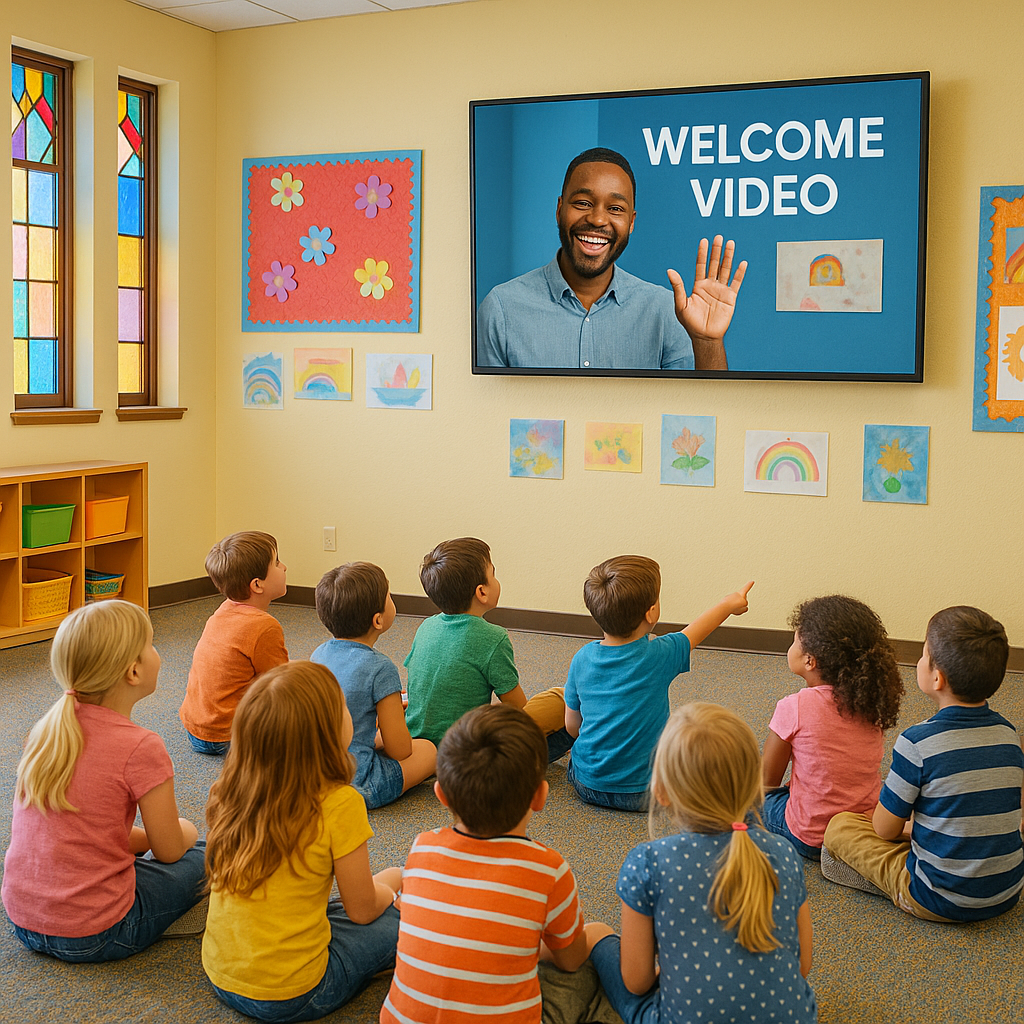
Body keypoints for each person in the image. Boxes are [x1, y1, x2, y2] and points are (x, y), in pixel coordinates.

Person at [2, 601, 205, 961]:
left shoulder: (46, 731)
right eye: (151, 643)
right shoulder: (142, 746)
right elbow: (170, 850)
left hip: (24, 922)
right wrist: (186, 829)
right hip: (99, 933)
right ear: (133, 672)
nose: (157, 652)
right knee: (207, 853)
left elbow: (84, 826)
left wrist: (138, 844)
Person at [588, 703, 816, 1023]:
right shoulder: (782, 853)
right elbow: (802, 966)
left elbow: (637, 981)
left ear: (662, 792)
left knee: (595, 934)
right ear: (753, 786)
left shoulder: (648, 863)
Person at [380, 704, 606, 1024]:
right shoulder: (549, 870)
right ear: (541, 796)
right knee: (593, 942)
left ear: (440, 794)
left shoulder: (422, 848)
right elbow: (569, 960)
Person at [202, 661, 402, 1021]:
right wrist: (392, 888)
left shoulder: (230, 790)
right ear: (324, 734)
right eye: (343, 707)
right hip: (295, 994)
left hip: (220, 975)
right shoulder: (339, 803)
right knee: (410, 916)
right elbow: (362, 909)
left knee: (341, 898)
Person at [823, 606, 1024, 922]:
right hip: (1008, 892)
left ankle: (897, 888)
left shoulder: (917, 742)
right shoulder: (1010, 735)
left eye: (923, 654)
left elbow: (884, 829)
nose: (919, 661)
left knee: (840, 827)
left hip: (938, 900)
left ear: (937, 677)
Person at [476, 147, 746, 370]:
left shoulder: (666, 310)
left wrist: (707, 342)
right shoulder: (501, 309)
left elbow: (695, 418)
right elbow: (484, 418)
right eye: (583, 203)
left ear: (631, 222)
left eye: (615, 208)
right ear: (559, 210)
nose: (597, 219)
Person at [564, 555, 753, 810]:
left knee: (562, 700)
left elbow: (572, 726)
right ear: (651, 613)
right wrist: (728, 605)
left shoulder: (581, 658)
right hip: (645, 795)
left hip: (586, 784)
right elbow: (696, 630)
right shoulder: (660, 654)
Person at [404, 537, 573, 760]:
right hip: (465, 752)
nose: (496, 580)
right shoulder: (494, 638)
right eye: (493, 574)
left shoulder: (426, 626)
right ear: (482, 592)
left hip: (417, 739)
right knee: (563, 700)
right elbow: (518, 708)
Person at [761, 595, 903, 859]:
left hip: (809, 837)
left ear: (810, 661)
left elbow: (767, 782)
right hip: (862, 826)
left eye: (794, 641)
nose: (790, 647)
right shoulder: (872, 699)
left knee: (756, 802)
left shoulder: (794, 706)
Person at [311, 561, 436, 809]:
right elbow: (400, 750)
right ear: (378, 620)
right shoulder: (381, 668)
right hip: (359, 784)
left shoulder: (318, 654)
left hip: (316, 776)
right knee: (428, 749)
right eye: (388, 595)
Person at [179, 530, 288, 754]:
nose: (284, 567)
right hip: (229, 736)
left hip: (194, 730)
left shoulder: (223, 610)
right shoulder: (264, 626)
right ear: (257, 585)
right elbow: (282, 684)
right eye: (277, 563)